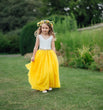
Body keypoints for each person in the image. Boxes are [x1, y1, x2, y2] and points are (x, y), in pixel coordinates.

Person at [25, 20, 60, 93]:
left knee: (49, 71)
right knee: (43, 71)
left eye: (46, 28)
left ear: (49, 29)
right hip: (41, 55)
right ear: (41, 28)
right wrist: (33, 56)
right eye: (43, 28)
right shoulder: (39, 36)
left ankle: (49, 84)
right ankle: (43, 86)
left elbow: (53, 47)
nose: (44, 29)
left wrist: (54, 55)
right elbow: (35, 47)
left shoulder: (51, 36)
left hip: (49, 54)